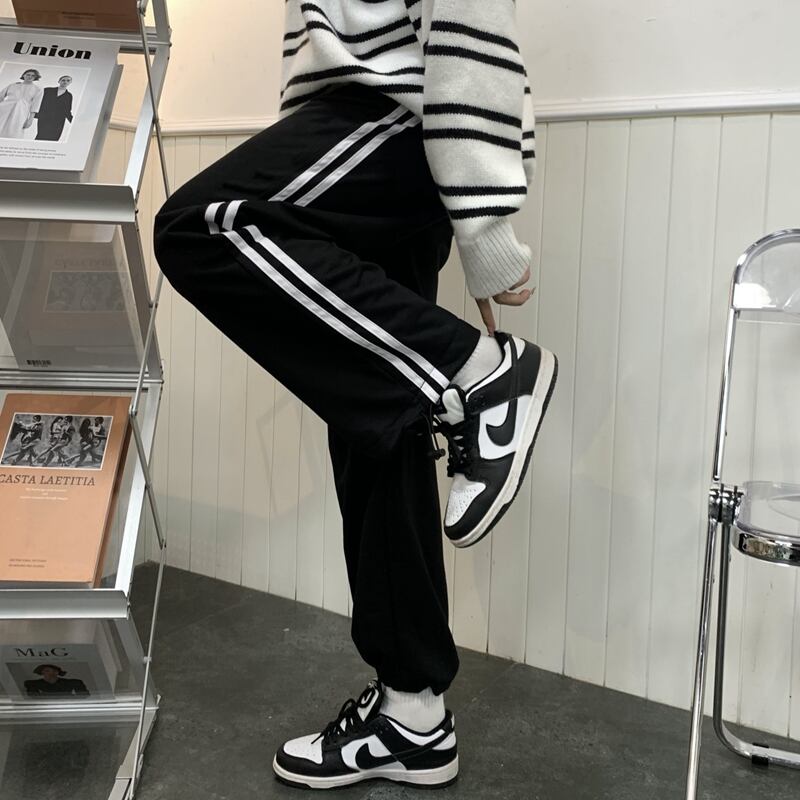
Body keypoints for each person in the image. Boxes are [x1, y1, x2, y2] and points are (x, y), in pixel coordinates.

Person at [154, 0, 557, 790]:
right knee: (378, 418)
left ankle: (483, 374)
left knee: (201, 224)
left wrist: (484, 229)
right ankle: (413, 716)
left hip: (392, 113)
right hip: (369, 131)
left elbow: (468, 15)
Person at [0, 68, 42, 139]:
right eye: (28, 74)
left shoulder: (37, 89)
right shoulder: (13, 85)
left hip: (21, 112)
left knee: (15, 132)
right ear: (23, 75)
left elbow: (35, 105)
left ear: (35, 78)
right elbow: (1, 96)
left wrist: (30, 120)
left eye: (33, 76)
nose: (30, 77)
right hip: (4, 109)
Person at [34, 75, 74, 142]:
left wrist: (73, 121)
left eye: (68, 80)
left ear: (70, 83)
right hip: (45, 118)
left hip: (59, 121)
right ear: (59, 81)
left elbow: (67, 110)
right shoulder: (47, 90)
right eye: (63, 80)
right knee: (41, 136)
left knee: (54, 138)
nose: (65, 82)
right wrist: (35, 114)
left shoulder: (69, 95)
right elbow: (37, 101)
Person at [24, 664, 90, 697]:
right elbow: (33, 698)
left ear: (57, 672)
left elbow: (84, 696)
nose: (46, 673)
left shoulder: (73, 682)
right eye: (45, 671)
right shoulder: (33, 684)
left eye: (48, 671)